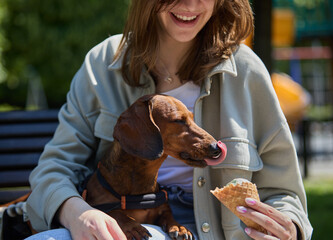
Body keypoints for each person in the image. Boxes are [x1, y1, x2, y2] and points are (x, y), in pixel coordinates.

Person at [25, 0, 313, 239]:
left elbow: (284, 191)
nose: (189, 4)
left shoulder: (247, 72)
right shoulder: (102, 64)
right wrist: (78, 213)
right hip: (123, 225)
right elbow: (54, 169)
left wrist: (287, 226)